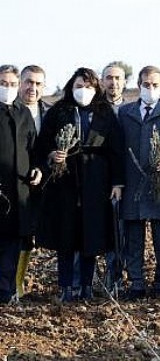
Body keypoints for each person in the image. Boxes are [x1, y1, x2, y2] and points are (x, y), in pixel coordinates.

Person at [35, 67, 124, 302]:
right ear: (70, 88)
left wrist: (117, 182)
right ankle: (66, 286)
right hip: (64, 181)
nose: (83, 91)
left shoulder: (105, 112)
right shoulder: (58, 111)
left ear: (96, 89)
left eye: (88, 86)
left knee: (90, 235)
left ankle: (85, 285)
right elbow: (43, 142)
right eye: (78, 86)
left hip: (96, 179)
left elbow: (116, 150)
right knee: (66, 235)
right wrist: (52, 154)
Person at [118, 66, 160, 300]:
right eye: (146, 84)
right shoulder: (125, 113)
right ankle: (136, 283)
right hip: (133, 184)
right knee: (133, 238)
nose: (150, 89)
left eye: (155, 85)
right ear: (139, 85)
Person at [0, 65, 42, 304]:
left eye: (12, 84)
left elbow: (33, 149)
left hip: (18, 191)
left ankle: (5, 293)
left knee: (12, 244)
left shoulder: (23, 113)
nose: (8, 88)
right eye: (3, 84)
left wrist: (38, 168)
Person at [15, 65, 51, 298]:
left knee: (29, 237)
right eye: (28, 82)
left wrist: (42, 169)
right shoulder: (10, 110)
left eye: (38, 84)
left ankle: (19, 282)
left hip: (41, 185)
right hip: (13, 183)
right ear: (20, 83)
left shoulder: (49, 113)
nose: (32, 88)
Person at [101, 62, 128, 295]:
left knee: (120, 231)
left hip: (123, 180)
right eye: (109, 78)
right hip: (96, 178)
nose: (113, 82)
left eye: (118, 78)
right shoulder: (95, 109)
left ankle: (115, 276)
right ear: (102, 82)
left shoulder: (129, 111)